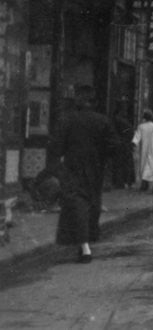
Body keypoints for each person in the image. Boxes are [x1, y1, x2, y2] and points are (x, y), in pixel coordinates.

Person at [51, 85, 119, 263]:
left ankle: (85, 248)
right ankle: (86, 245)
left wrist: (58, 162)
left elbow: (56, 146)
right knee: (91, 204)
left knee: (77, 203)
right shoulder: (102, 120)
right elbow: (114, 145)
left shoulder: (67, 119)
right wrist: (101, 156)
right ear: (93, 101)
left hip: (72, 166)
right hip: (95, 168)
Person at [132, 109, 153, 193]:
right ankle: (151, 187)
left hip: (143, 149)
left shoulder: (141, 127)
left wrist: (134, 147)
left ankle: (142, 185)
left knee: (143, 166)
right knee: (152, 167)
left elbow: (136, 138)